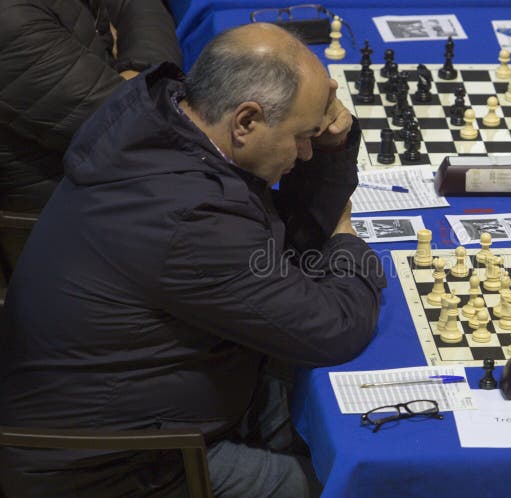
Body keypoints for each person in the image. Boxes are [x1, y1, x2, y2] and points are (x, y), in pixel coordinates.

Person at [0, 23, 386, 497]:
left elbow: (290, 242)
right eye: (300, 137)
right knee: (367, 481)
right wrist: (348, 244)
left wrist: (330, 150)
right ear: (245, 121)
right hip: (116, 466)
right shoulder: (188, 217)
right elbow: (335, 329)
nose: (303, 151)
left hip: (180, 396)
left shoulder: (169, 125)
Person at [0, 0, 182, 278]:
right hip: (69, 228)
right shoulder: (8, 17)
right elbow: (130, 122)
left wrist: (138, 72)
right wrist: (143, 86)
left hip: (122, 186)